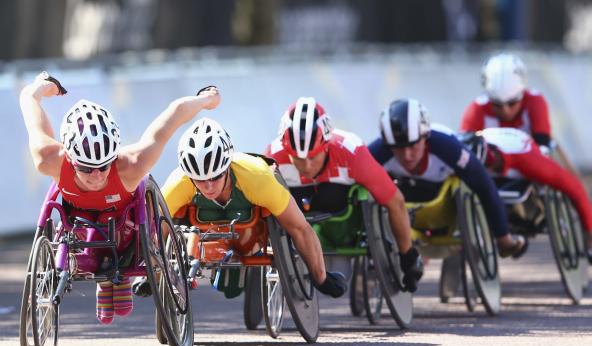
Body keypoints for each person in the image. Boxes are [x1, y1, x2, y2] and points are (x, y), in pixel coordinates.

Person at [20, 72, 220, 324]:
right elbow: (28, 98)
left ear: (114, 157)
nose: (95, 176)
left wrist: (205, 100)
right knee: (90, 238)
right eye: (85, 169)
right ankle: (105, 278)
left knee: (122, 227)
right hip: (80, 219)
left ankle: (119, 273)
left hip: (125, 221)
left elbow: (173, 116)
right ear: (69, 158)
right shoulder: (48, 159)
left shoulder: (132, 164)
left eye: (103, 167)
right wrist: (44, 86)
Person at [136, 116, 348, 299]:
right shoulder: (178, 183)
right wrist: (151, 274)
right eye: (199, 180)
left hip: (250, 228)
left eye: (216, 176)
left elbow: (300, 228)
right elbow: (153, 232)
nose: (209, 186)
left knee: (233, 282)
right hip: (207, 235)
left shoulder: (259, 179)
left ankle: (250, 257)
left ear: (227, 166)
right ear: (188, 174)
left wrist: (321, 279)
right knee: (228, 287)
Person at [265, 97, 425, 292]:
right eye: (298, 158)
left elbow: (396, 202)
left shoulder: (353, 153)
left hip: (342, 209)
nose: (306, 166)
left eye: (313, 156)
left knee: (335, 196)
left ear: (326, 145)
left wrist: (407, 255)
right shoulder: (273, 156)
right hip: (298, 208)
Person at [369, 98, 527, 259]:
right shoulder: (379, 151)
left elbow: (485, 186)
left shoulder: (447, 147)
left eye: (413, 145)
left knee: (478, 181)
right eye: (398, 148)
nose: (407, 155)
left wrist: (503, 237)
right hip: (405, 199)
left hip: (446, 204)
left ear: (425, 137)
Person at [469, 127, 592, 265]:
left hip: (520, 152)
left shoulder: (526, 159)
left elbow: (574, 187)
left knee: (564, 183)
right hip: (484, 147)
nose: (505, 110)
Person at [460, 52, 576, 173]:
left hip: (530, 170)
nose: (506, 111)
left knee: (554, 151)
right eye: (497, 104)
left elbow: (544, 148)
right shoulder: (475, 109)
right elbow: (463, 153)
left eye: (512, 103)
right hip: (490, 174)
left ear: (522, 94)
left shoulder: (535, 101)